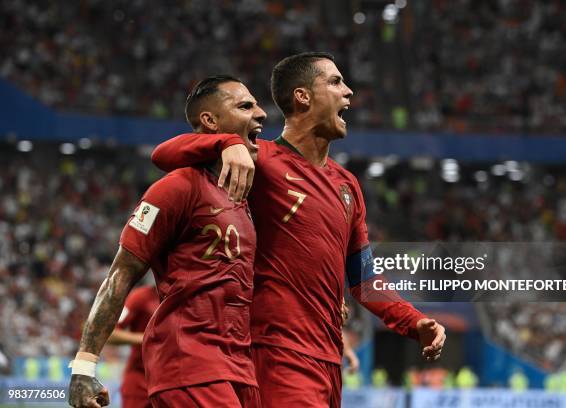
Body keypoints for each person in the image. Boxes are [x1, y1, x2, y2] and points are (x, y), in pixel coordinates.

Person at [151, 52, 445, 407]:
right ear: (303, 96)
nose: (348, 92)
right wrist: (225, 143)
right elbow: (165, 153)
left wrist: (414, 321)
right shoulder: (264, 160)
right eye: (335, 82)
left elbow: (364, 279)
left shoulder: (347, 186)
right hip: (275, 352)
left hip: (328, 360)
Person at [68, 75, 266, 408]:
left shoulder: (241, 196)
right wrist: (83, 368)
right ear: (210, 120)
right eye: (245, 106)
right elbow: (120, 275)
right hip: (189, 361)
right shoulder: (177, 188)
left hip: (240, 365)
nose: (261, 113)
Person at [106, 284, 159, 408]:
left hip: (174, 379)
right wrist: (147, 338)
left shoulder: (186, 296)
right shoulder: (139, 297)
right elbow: (110, 333)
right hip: (140, 380)